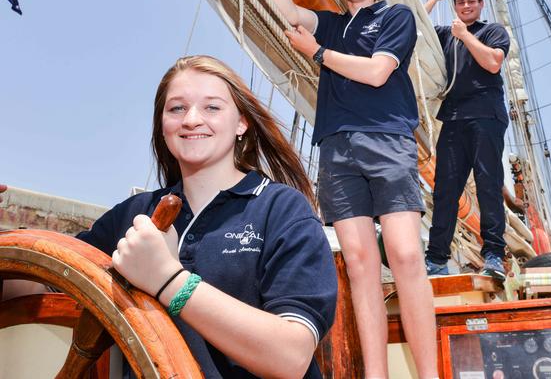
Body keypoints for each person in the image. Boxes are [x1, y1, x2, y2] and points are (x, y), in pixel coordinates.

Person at [3, 55, 337, 379]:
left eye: (212, 107)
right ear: (162, 126)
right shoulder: (132, 215)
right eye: (177, 108)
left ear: (241, 123)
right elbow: (40, 283)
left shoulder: (281, 210)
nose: (191, 119)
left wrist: (167, 279)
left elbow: (290, 357)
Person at [228, 0, 438, 379]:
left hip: (387, 141)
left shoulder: (395, 17)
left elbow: (378, 71)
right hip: (337, 148)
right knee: (360, 265)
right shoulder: (332, 23)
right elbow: (291, 13)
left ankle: (431, 373)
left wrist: (318, 54)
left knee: (404, 255)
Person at [423, 0, 510, 280]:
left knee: (488, 186)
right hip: (454, 118)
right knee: (445, 190)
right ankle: (435, 260)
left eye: (471, 1)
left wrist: (466, 36)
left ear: (480, 4)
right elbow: (416, 27)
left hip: (486, 115)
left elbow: (493, 63)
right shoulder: (446, 34)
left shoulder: (492, 31)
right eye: (461, 2)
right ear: (455, 6)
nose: (466, 6)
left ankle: (494, 255)